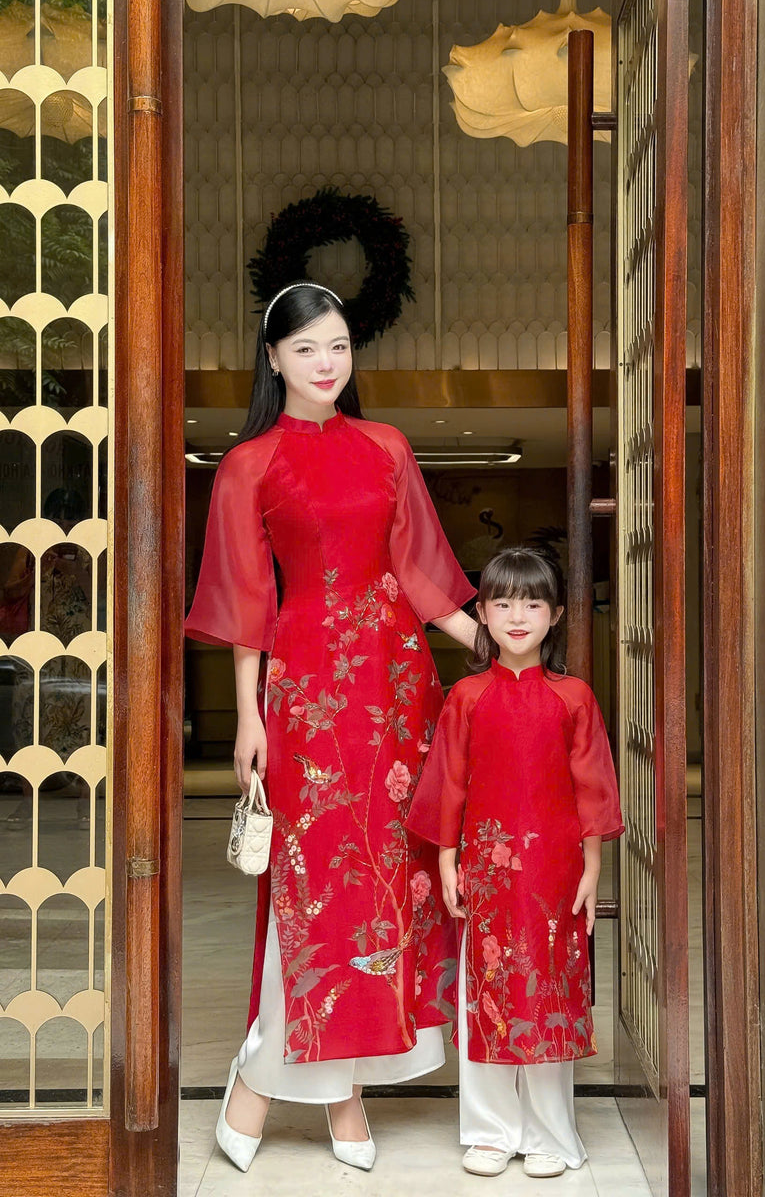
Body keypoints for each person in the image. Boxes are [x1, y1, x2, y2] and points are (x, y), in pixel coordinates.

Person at [185, 282, 477, 1173]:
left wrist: (506, 651)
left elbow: (421, 572)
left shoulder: (387, 447)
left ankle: (334, 1089)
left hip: (395, 690)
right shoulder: (250, 465)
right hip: (307, 689)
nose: (326, 363)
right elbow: (246, 602)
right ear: (273, 359)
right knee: (313, 889)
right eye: (307, 348)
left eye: (339, 346)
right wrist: (248, 718)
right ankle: (275, 1083)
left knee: (391, 886)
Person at [406, 546, 624, 1179]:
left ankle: (552, 1132)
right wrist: (448, 861)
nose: (517, 615)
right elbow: (448, 784)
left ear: (554, 614)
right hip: (486, 867)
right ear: (484, 614)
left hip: (556, 869)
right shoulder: (467, 697)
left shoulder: (574, 697)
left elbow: (593, 789)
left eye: (532, 603)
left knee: (549, 994)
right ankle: (490, 1131)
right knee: (487, 993)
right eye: (502, 603)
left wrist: (592, 869)